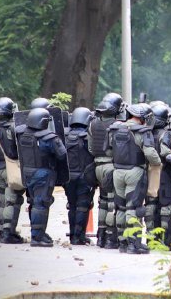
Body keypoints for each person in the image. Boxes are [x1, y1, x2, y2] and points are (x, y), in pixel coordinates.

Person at [110, 103, 160, 254]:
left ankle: (122, 242)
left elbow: (108, 149)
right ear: (142, 118)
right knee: (134, 208)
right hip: (134, 172)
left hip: (117, 172)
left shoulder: (115, 129)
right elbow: (151, 154)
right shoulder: (143, 132)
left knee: (121, 207)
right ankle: (134, 244)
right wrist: (158, 163)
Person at [15, 108, 67, 247]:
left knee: (34, 203)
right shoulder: (49, 138)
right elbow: (62, 155)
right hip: (43, 173)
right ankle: (37, 237)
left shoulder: (21, 133)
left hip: (27, 172)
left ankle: (39, 233)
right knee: (41, 204)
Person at [0, 97, 25, 244]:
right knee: (10, 201)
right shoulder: (12, 129)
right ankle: (7, 233)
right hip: (11, 169)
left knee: (2, 201)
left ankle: (2, 229)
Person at [88, 92, 124, 249]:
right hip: (111, 167)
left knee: (102, 202)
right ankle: (110, 239)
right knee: (110, 203)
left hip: (97, 166)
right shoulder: (117, 125)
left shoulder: (92, 124)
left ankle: (100, 236)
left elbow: (90, 148)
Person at [151, 101, 171, 248]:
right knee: (166, 208)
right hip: (164, 175)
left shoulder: (145, 133)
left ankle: (152, 240)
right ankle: (166, 240)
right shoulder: (168, 135)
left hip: (150, 174)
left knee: (151, 207)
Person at [63, 107, 95, 245]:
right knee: (83, 205)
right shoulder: (88, 137)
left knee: (72, 205)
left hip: (68, 176)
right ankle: (78, 236)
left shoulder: (64, 135)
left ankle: (72, 235)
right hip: (84, 176)